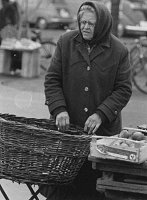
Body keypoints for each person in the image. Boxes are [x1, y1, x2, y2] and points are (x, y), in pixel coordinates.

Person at [44, 1, 132, 199]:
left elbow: (123, 89)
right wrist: (59, 109)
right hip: (67, 133)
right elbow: (52, 80)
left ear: (101, 25)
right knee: (62, 189)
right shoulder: (66, 42)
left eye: (90, 24)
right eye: (82, 22)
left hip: (102, 135)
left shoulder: (119, 51)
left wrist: (101, 114)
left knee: (93, 190)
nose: (85, 27)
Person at [0, 0, 21, 74]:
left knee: (12, 51)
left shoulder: (10, 9)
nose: (2, 3)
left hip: (9, 32)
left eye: (2, 2)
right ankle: (11, 68)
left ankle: (13, 68)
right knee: (10, 51)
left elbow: (13, 21)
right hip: (5, 32)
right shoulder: (4, 9)